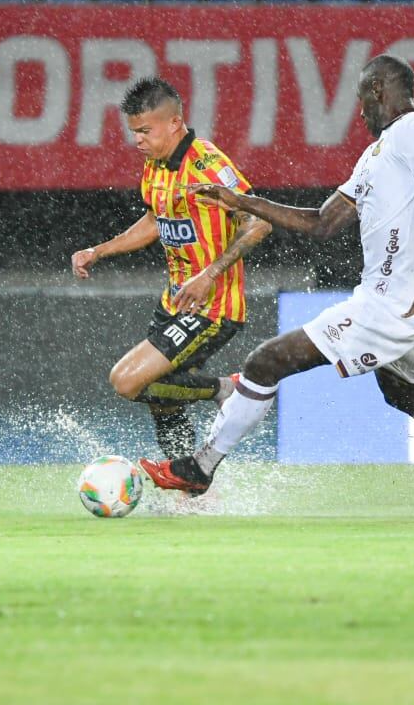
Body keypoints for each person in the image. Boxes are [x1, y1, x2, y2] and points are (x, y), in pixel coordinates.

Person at [139, 54, 414, 517]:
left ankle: (201, 467)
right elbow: (322, 222)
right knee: (406, 393)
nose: (360, 113)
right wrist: (239, 200)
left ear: (377, 92)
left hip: (390, 306)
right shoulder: (375, 156)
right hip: (395, 305)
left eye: (360, 101)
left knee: (265, 362)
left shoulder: (413, 129)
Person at [71, 77, 271, 459]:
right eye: (134, 132)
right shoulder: (155, 166)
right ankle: (186, 486)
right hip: (175, 303)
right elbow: (153, 221)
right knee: (163, 399)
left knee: (127, 381)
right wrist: (99, 250)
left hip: (213, 307)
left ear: (175, 123)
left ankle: (229, 390)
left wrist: (208, 274)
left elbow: (258, 222)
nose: (138, 140)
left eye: (145, 130)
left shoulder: (208, 165)